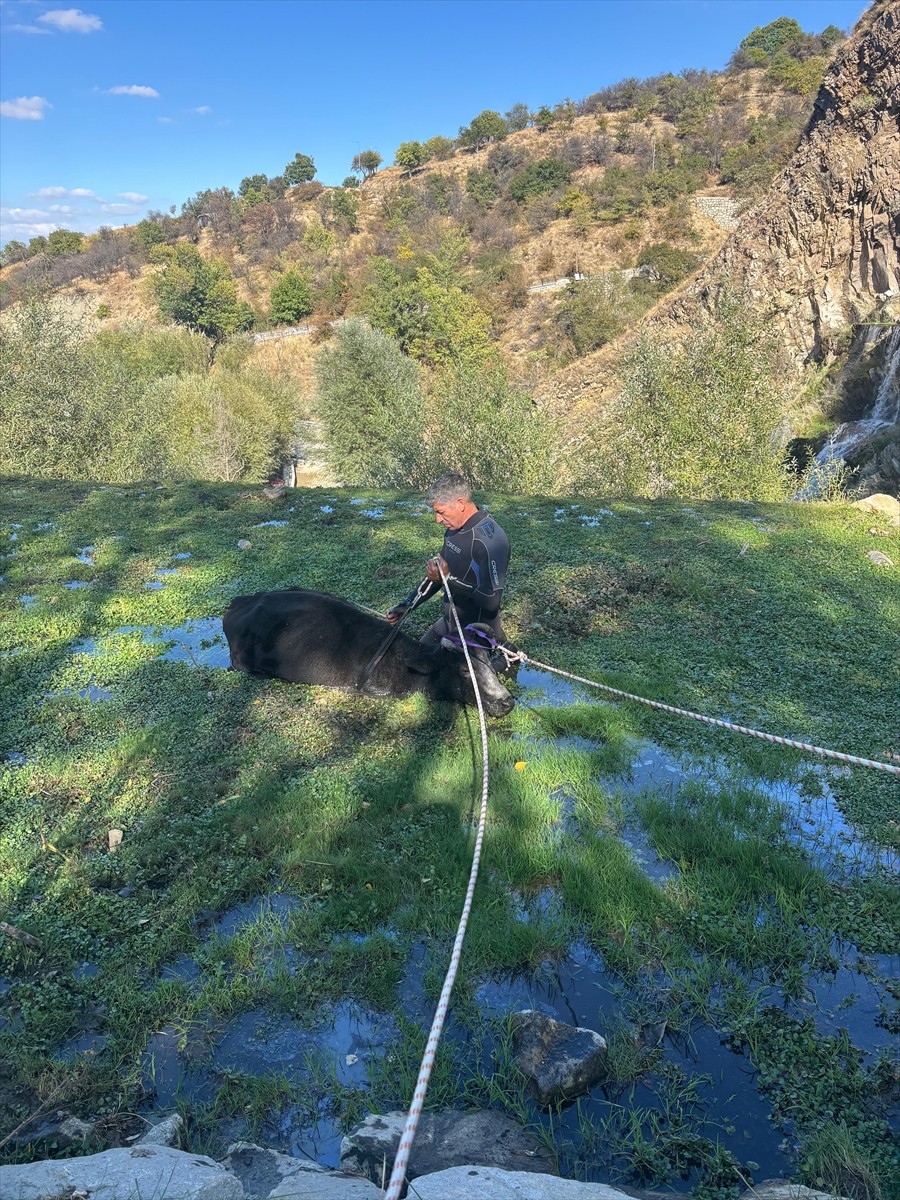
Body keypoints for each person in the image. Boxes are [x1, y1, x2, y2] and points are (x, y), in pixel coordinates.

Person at [386, 473, 510, 648]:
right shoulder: (454, 528)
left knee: (440, 673)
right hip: (450, 622)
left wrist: (448, 577)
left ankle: (503, 657)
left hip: (477, 633)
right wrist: (408, 604)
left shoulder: (492, 540)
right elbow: (438, 574)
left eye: (440, 512)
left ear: (460, 504)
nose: (437, 520)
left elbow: (490, 602)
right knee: (417, 661)